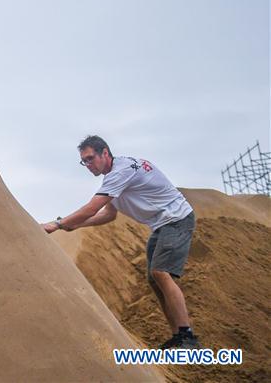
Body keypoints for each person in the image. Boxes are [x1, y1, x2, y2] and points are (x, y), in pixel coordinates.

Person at [41, 135, 199, 349]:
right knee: (155, 279)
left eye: (90, 158)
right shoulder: (113, 179)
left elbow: (91, 209)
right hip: (161, 225)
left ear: (105, 153)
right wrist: (76, 225)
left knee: (161, 272)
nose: (87, 165)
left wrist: (58, 224)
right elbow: (109, 214)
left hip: (177, 219)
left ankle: (187, 336)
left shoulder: (120, 172)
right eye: (84, 161)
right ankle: (178, 336)